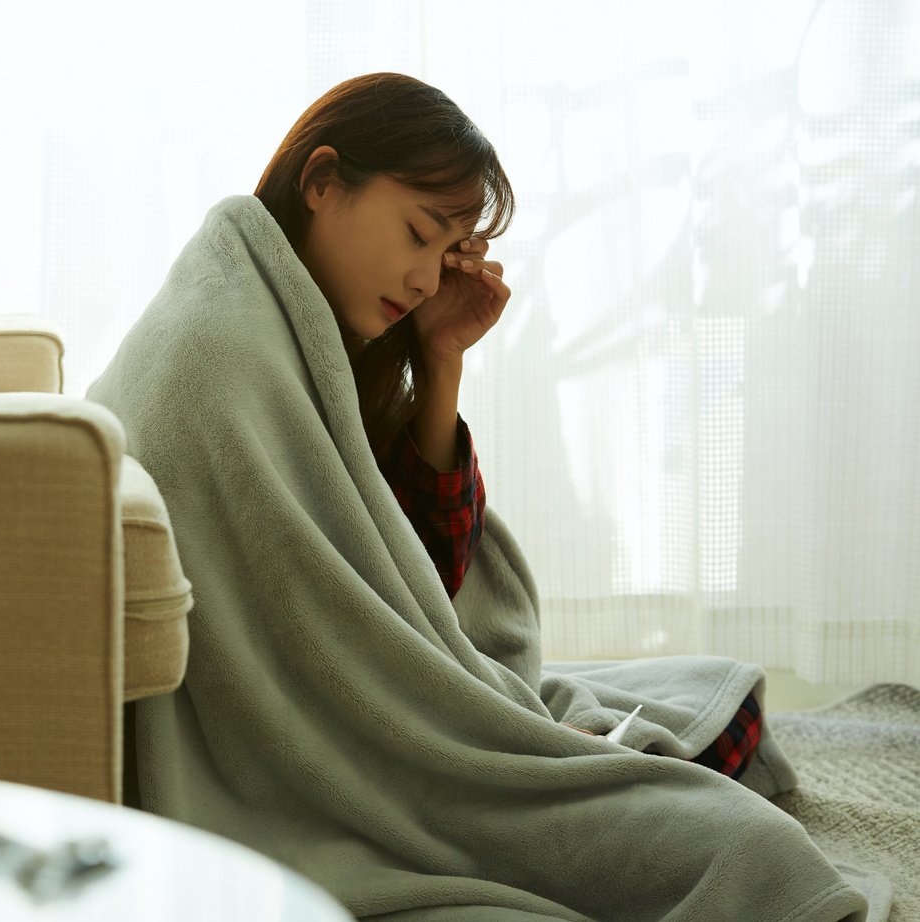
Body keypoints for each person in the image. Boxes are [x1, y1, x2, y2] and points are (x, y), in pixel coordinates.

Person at [88, 73, 865, 921]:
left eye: (447, 250)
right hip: (328, 760)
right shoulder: (220, 350)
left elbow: (419, 577)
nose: (426, 278)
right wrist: (487, 728)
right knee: (744, 845)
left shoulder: (297, 330)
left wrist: (442, 360)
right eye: (419, 233)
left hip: (397, 703)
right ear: (321, 183)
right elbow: (342, 655)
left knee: (710, 701)